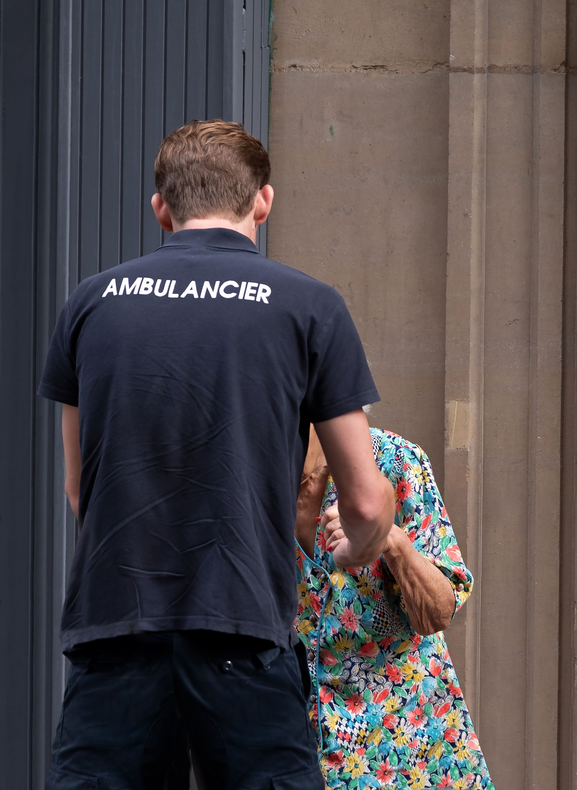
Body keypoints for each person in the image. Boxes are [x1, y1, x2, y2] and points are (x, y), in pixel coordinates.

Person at [38, 120, 395, 790]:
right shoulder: (309, 306)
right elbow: (368, 500)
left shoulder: (90, 304)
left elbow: (81, 489)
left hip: (117, 631)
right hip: (241, 628)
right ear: (262, 200)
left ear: (161, 207)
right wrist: (354, 549)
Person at [294, 426, 494, 790]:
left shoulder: (393, 460)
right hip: (293, 752)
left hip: (408, 752)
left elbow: (437, 613)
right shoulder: (242, 481)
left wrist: (388, 538)